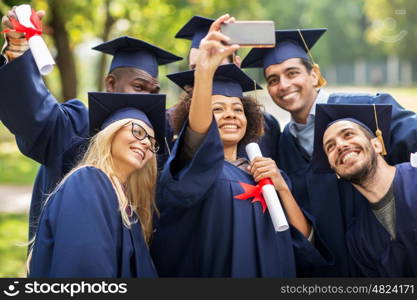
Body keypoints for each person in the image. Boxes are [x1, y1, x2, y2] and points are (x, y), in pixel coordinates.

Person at [151, 15, 331, 277]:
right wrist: (204, 72)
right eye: (217, 109)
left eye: (237, 108)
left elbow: (304, 243)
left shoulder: (265, 172)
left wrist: (282, 188)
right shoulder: (196, 170)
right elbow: (197, 141)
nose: (230, 114)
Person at [241, 28, 417, 276]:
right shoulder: (283, 146)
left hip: (392, 259)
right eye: (273, 79)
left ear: (314, 75)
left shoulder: (364, 109)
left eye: (292, 73)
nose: (284, 85)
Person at [0, 8, 182, 239]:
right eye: (138, 87)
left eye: (153, 92)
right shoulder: (76, 125)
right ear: (110, 83)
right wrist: (18, 45)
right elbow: (33, 113)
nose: (147, 98)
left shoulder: (154, 143)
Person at [28, 92, 165, 277]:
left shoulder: (125, 206)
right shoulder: (88, 182)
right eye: (138, 132)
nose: (146, 143)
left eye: (152, 141)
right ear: (111, 132)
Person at [316, 103, 417, 277]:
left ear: (377, 145)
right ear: (335, 172)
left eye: (348, 134)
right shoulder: (359, 239)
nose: (340, 146)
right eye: (330, 147)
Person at [173, 15, 281, 161]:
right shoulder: (172, 121)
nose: (206, 70)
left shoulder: (268, 125)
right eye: (195, 68)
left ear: (237, 63)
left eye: (214, 62)